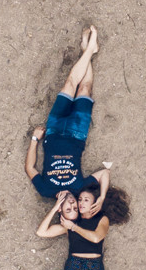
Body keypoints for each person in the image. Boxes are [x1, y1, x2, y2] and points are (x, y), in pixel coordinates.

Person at [23, 26, 111, 204]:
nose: (72, 204)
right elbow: (104, 173)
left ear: (60, 209)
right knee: (84, 89)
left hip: (54, 129)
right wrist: (101, 197)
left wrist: (34, 140)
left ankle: (89, 49)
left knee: (70, 84)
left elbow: (30, 168)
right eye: (74, 207)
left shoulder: (46, 189)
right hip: (77, 132)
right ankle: (88, 50)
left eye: (67, 208)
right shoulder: (79, 188)